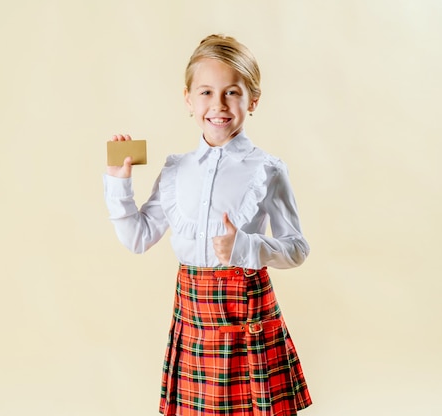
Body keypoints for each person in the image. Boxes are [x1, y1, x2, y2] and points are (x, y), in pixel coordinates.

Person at [103, 34, 312, 416]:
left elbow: (297, 248)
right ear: (187, 99)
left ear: (253, 100)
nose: (218, 105)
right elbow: (137, 238)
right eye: (205, 93)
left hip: (246, 313)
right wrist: (119, 184)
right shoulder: (174, 170)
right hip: (193, 316)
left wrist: (246, 247)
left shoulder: (267, 169)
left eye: (232, 92)